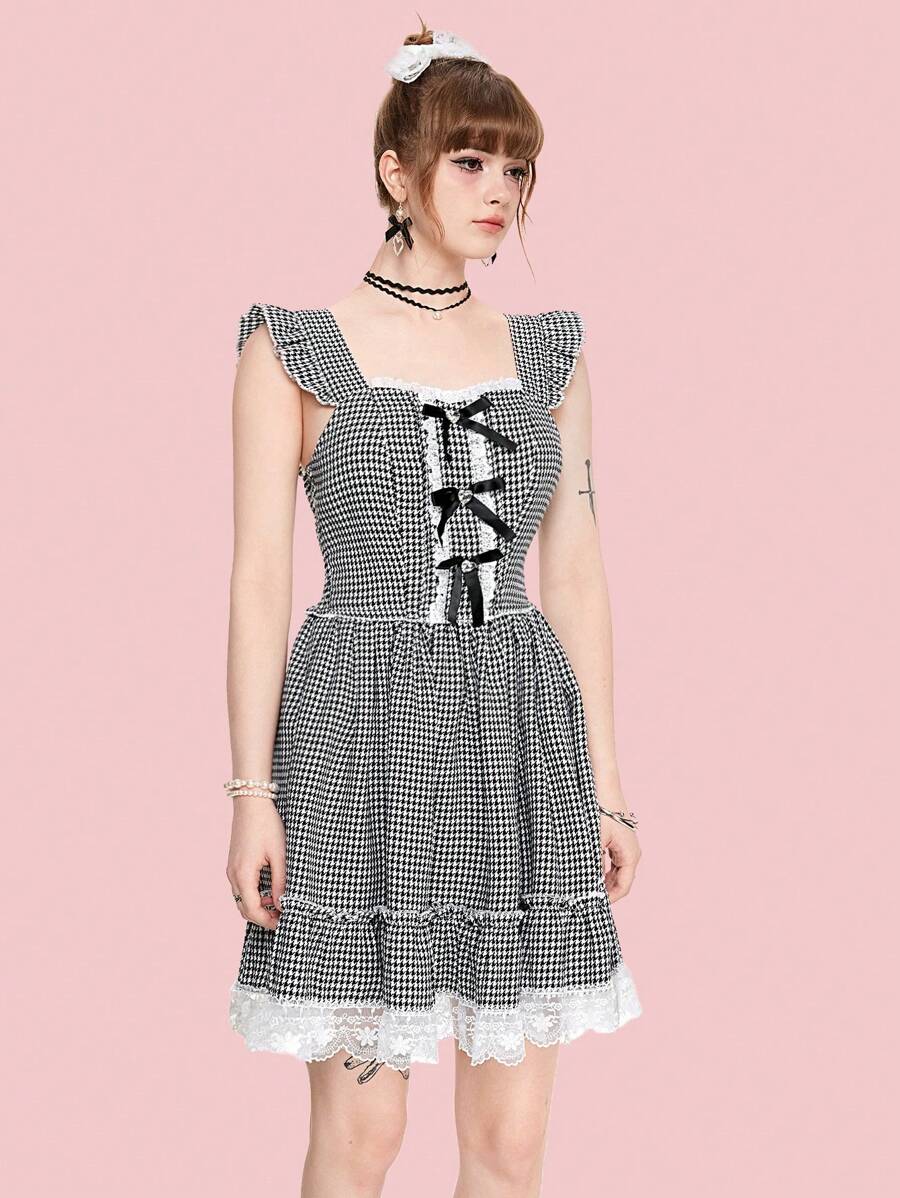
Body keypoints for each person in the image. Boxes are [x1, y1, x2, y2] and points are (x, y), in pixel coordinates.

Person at [225, 22, 643, 1196]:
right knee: (364, 1136)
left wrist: (608, 787)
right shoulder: (293, 347)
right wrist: (251, 795)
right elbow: (260, 577)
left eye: (516, 167)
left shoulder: (549, 353)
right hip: (358, 743)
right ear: (394, 171)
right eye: (469, 161)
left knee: (510, 1146)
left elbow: (577, 571)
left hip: (521, 741)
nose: (500, 190)